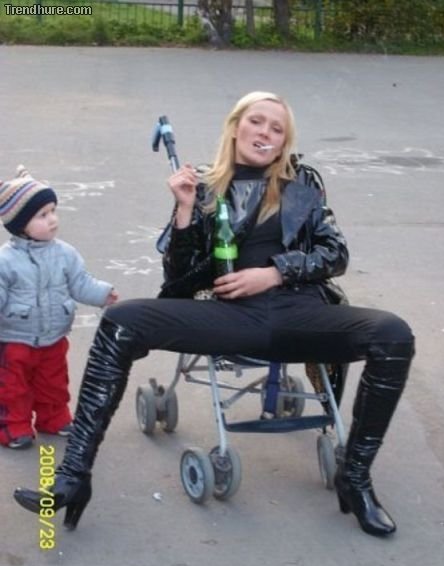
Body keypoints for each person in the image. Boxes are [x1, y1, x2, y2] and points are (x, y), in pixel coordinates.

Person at [14, 92, 414, 536]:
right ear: (235, 126)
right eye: (256, 121)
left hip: (300, 314)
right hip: (230, 319)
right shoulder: (204, 186)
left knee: (394, 333)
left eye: (276, 128)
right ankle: (73, 477)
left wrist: (274, 273)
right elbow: (179, 282)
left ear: (284, 142)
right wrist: (185, 210)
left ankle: (355, 478)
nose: (264, 132)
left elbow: (335, 253)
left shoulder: (302, 183)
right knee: (119, 321)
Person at [0, 166, 118, 449]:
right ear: (20, 225)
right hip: (14, 339)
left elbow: (80, 283)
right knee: (12, 387)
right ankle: (13, 427)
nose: (52, 219)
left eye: (53, 211)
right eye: (42, 215)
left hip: (54, 337)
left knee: (53, 382)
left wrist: (102, 294)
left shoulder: (65, 253)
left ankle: (53, 418)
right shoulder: (5, 261)